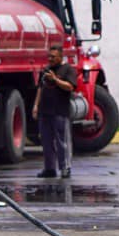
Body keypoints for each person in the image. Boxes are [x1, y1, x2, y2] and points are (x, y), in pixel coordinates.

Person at [31, 42, 77, 178]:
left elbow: (70, 86)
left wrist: (55, 80)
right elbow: (40, 87)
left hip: (60, 112)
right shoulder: (45, 70)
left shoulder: (68, 70)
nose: (50, 59)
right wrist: (36, 106)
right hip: (45, 112)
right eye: (49, 56)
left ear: (60, 57)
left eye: (53, 57)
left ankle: (65, 168)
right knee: (46, 142)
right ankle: (49, 169)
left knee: (62, 142)